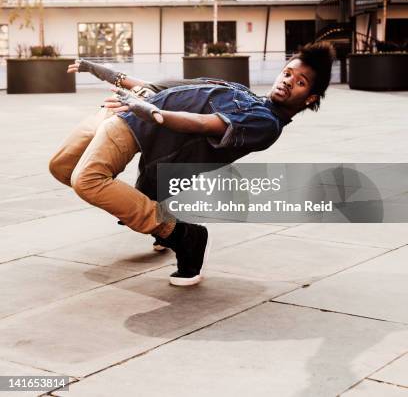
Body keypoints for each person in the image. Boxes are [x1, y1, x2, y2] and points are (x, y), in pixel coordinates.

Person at [49, 42, 334, 287]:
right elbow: (159, 89)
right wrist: (103, 72)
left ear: (309, 97)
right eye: (287, 73)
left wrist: (151, 113)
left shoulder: (265, 123)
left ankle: (181, 234)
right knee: (61, 166)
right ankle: (144, 207)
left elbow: (202, 124)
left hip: (134, 123)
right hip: (123, 109)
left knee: (87, 180)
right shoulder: (239, 90)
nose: (287, 81)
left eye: (300, 82)